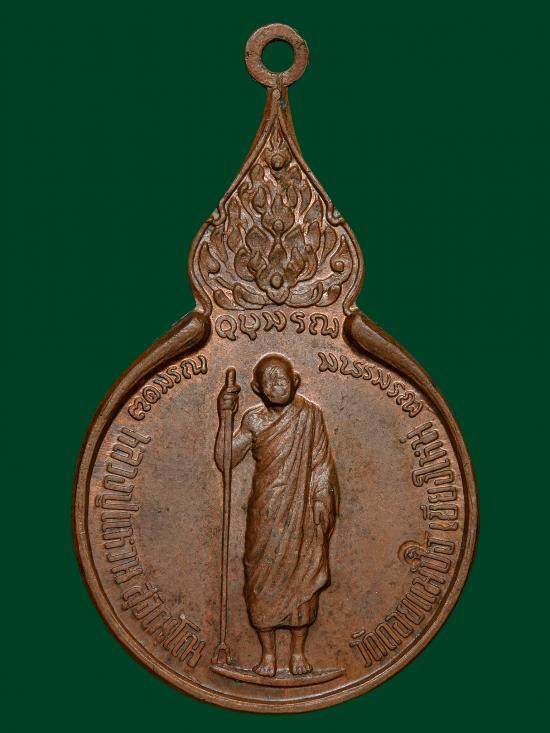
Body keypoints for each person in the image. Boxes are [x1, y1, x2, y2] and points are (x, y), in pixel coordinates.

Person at [215, 353, 339, 676]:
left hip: (302, 511)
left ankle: (298, 653)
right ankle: (268, 655)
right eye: (268, 381)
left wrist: (321, 501)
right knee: (260, 579)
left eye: (281, 378)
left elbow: (321, 464)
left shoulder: (311, 416)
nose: (276, 385)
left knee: (302, 575)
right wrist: (224, 417)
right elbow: (226, 460)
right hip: (266, 511)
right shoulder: (254, 420)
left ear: (295, 381)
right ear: (257, 388)